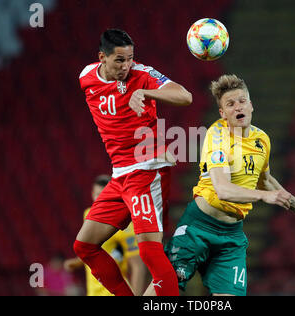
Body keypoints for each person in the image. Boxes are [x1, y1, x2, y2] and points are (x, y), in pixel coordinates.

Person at [145, 74, 295, 296]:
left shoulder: (262, 139)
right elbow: (222, 189)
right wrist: (263, 196)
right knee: (164, 291)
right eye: (230, 104)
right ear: (222, 113)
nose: (237, 106)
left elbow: (265, 179)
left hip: (231, 236)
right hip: (198, 228)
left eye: (241, 101)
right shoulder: (217, 136)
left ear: (251, 105)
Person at [73, 29, 192, 296]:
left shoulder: (143, 75)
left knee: (149, 251)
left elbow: (185, 96)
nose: (126, 66)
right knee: (85, 246)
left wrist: (148, 94)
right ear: (101, 57)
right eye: (119, 60)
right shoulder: (86, 78)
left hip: (148, 169)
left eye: (130, 59)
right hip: (120, 176)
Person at [64, 175, 148, 296]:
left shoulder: (123, 225)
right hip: (93, 292)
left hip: (112, 292)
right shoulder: (88, 215)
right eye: (97, 195)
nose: (99, 199)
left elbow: (137, 265)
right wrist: (77, 262)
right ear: (92, 194)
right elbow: (96, 252)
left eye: (103, 195)